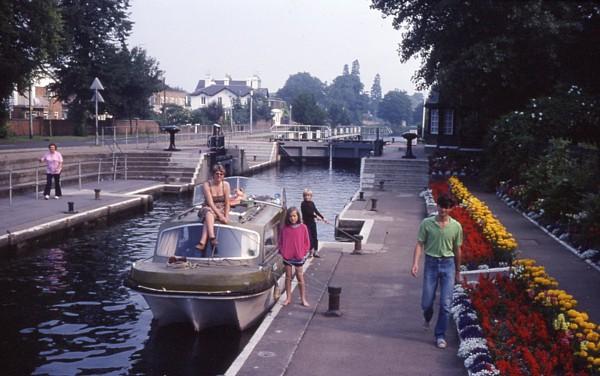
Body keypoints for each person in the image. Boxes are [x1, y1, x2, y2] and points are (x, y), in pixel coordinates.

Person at [411, 194, 463, 349]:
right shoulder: (427, 223)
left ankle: (440, 335)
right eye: (441, 206)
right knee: (427, 302)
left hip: (448, 264)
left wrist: (458, 271)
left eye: (447, 207)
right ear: (437, 206)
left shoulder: (456, 226)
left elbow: (457, 249)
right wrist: (415, 263)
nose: (443, 210)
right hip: (431, 264)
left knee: (446, 304)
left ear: (451, 209)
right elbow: (420, 244)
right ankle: (428, 316)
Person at [279, 207, 311, 307]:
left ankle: (303, 299)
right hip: (287, 256)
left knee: (300, 277)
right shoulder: (285, 228)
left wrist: (304, 251)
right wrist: (282, 251)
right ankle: (288, 298)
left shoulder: (303, 227)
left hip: (298, 256)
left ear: (298, 216)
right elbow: (280, 241)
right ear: (287, 217)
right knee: (288, 277)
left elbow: (307, 242)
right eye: (290, 216)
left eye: (294, 216)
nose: (292, 218)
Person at [196, 164, 230, 251]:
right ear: (213, 174)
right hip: (207, 207)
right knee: (209, 212)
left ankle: (202, 241)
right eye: (217, 173)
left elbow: (227, 202)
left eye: (221, 174)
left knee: (207, 221)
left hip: (221, 208)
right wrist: (220, 216)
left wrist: (226, 217)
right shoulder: (206, 185)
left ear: (223, 175)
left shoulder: (226, 185)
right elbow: (210, 203)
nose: (219, 176)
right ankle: (212, 237)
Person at [300, 188, 327, 258]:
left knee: (315, 237)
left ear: (311, 196)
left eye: (309, 195)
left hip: (312, 223)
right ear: (303, 196)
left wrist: (323, 217)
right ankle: (310, 251)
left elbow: (315, 210)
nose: (307, 197)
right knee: (309, 237)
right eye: (305, 195)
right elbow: (308, 212)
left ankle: (316, 251)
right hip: (306, 223)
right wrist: (316, 216)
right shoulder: (303, 204)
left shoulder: (312, 203)